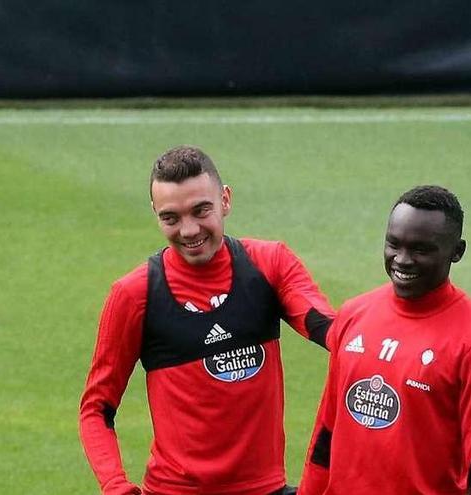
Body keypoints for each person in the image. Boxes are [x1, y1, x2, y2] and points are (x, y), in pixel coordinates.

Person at [79, 145, 334, 495]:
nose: (188, 230)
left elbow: (326, 327)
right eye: (171, 217)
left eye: (201, 210)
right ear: (155, 213)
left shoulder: (269, 263)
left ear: (225, 199)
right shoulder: (135, 294)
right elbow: (96, 408)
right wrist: (114, 485)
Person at [298, 185, 471, 494]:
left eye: (421, 249)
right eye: (393, 244)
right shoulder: (354, 314)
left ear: (457, 251)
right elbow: (326, 432)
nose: (402, 260)